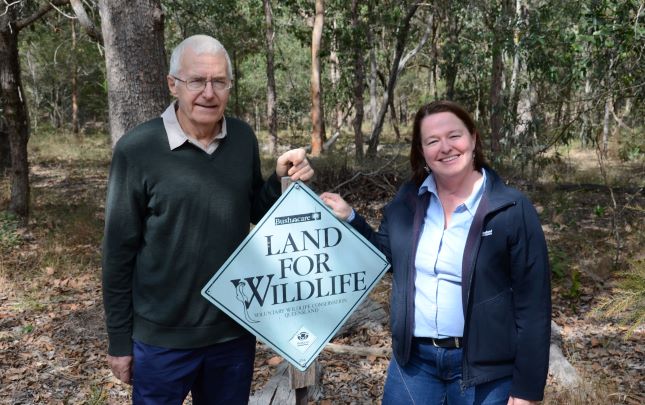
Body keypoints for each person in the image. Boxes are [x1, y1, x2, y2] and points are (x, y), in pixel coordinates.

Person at [102, 34, 313, 404]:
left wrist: (278, 181)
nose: (209, 92)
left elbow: (252, 213)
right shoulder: (137, 149)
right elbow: (118, 253)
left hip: (232, 333)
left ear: (230, 86)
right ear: (173, 84)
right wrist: (120, 341)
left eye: (219, 81)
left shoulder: (243, 139)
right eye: (197, 80)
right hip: (161, 339)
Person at [321, 100, 550, 405]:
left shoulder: (510, 208)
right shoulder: (409, 200)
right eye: (432, 141)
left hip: (485, 370)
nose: (445, 147)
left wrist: (526, 390)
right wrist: (352, 219)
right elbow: (387, 258)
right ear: (422, 152)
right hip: (415, 364)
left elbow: (533, 304)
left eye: (454, 135)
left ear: (473, 138)